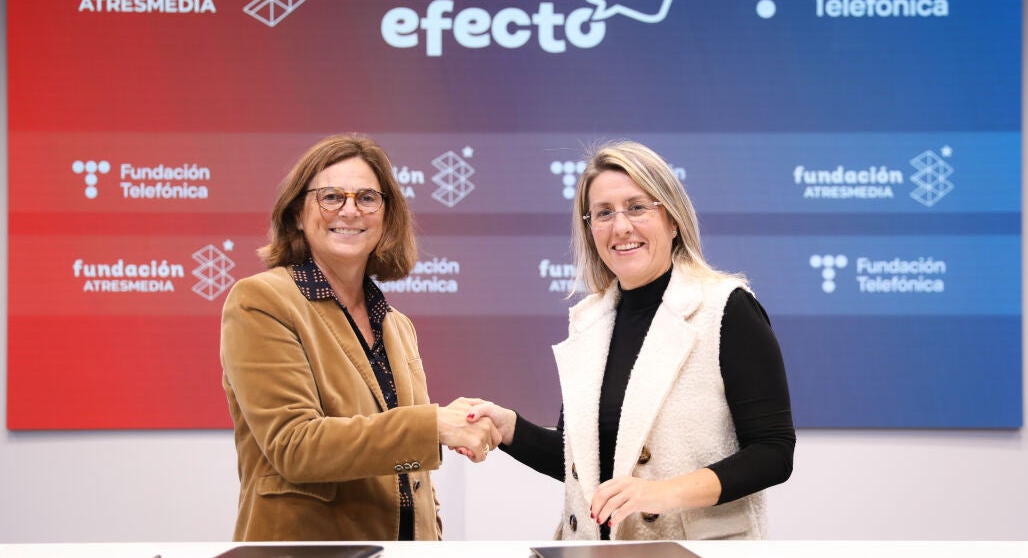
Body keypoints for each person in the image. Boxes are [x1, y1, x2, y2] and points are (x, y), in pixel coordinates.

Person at [464, 140, 795, 540]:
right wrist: (510, 429)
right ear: (591, 230)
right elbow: (584, 464)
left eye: (637, 207)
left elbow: (773, 452)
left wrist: (661, 493)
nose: (620, 227)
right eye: (604, 213)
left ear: (673, 220)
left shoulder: (727, 308)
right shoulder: (590, 322)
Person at [220, 133, 500, 541]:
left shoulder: (397, 325)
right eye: (331, 197)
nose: (350, 210)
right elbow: (294, 446)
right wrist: (433, 425)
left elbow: (410, 471)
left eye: (367, 198)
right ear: (298, 214)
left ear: (386, 217)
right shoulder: (261, 301)